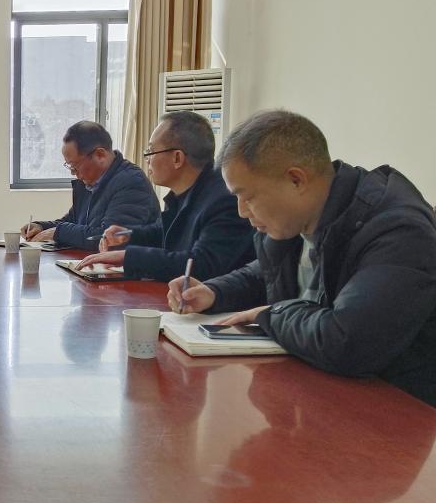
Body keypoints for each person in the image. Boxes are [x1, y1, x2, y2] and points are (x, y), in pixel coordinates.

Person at [166, 109, 436, 403]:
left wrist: (270, 315)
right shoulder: (299, 218)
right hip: (315, 390)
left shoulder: (398, 230)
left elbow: (347, 341)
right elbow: (266, 272)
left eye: (248, 197)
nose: (242, 212)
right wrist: (214, 292)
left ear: (296, 180)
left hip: (395, 409)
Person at [75, 111, 254, 281]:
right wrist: (128, 235)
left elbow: (202, 264)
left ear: (177, 158)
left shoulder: (224, 199)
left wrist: (129, 257)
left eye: (151, 151)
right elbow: (162, 232)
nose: (147, 159)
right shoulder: (184, 193)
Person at [21, 120, 159, 251]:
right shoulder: (90, 181)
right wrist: (42, 227)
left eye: (74, 166)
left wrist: (58, 232)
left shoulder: (131, 181)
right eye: (69, 166)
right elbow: (72, 221)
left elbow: (109, 239)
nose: (73, 173)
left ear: (100, 155)